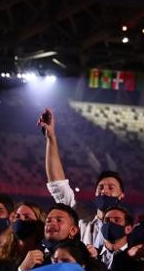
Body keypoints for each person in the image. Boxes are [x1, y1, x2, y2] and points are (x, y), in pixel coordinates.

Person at [38, 105, 126, 250]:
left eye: (111, 187)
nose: (105, 191)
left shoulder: (130, 231)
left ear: (121, 195)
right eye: (101, 187)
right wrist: (51, 138)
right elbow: (57, 185)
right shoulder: (80, 222)